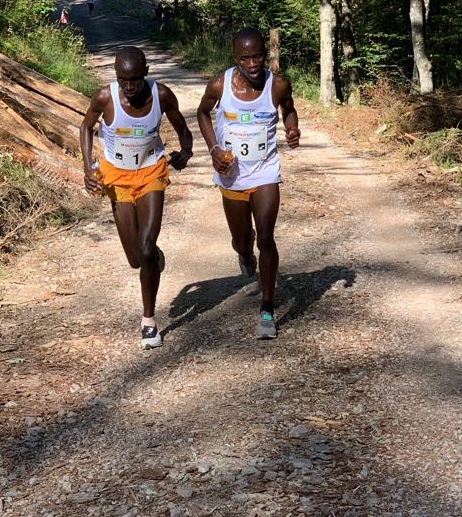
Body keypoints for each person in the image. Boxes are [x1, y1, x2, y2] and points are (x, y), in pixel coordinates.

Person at [80, 46, 193, 350]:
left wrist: (186, 151)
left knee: (145, 246)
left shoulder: (162, 95)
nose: (129, 86)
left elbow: (183, 128)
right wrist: (88, 167)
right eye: (123, 79)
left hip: (151, 171)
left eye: (135, 79)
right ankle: (152, 258)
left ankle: (149, 322)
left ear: (146, 73)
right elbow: (86, 127)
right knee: (136, 259)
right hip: (117, 176)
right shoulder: (105, 97)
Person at [196, 27, 300, 339]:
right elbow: (202, 113)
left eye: (257, 56)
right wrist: (214, 149)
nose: (253, 64)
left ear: (265, 55)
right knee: (243, 241)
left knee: (265, 237)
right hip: (232, 175)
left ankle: (267, 310)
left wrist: (292, 129)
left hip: (265, 171)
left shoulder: (277, 85)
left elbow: (289, 109)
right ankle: (244, 253)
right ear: (235, 58)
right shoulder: (219, 85)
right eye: (245, 58)